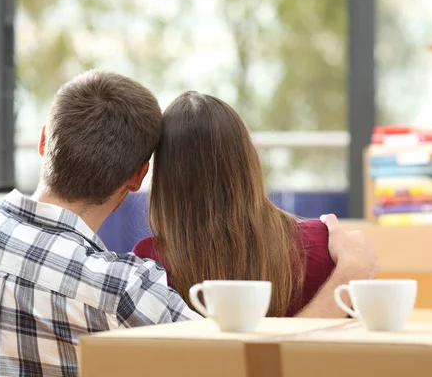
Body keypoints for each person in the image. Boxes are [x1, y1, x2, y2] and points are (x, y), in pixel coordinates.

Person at [0, 72, 377, 376]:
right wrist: (349, 271)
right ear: (137, 177)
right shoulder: (123, 290)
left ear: (44, 141)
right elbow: (249, 366)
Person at [133, 91, 378, 317]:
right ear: (248, 160)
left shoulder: (150, 266)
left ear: (163, 179)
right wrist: (350, 269)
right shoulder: (326, 248)